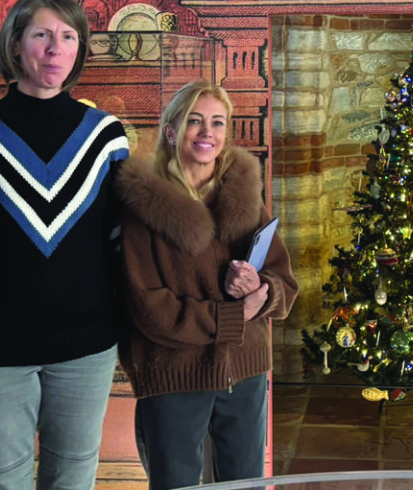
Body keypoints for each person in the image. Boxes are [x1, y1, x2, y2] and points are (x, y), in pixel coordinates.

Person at [0, 0, 130, 490]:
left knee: (73, 480)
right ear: (16, 44)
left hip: (85, 348)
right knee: (1, 483)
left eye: (68, 36)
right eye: (42, 34)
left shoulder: (106, 137)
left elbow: (119, 243)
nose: (55, 48)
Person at [115, 80, 298, 490]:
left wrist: (261, 288)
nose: (207, 133)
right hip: (174, 374)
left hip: (246, 373)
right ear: (171, 131)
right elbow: (149, 308)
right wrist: (235, 314)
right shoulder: (143, 207)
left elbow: (283, 281)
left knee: (244, 485)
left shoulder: (244, 197)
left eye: (217, 122)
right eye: (194, 121)